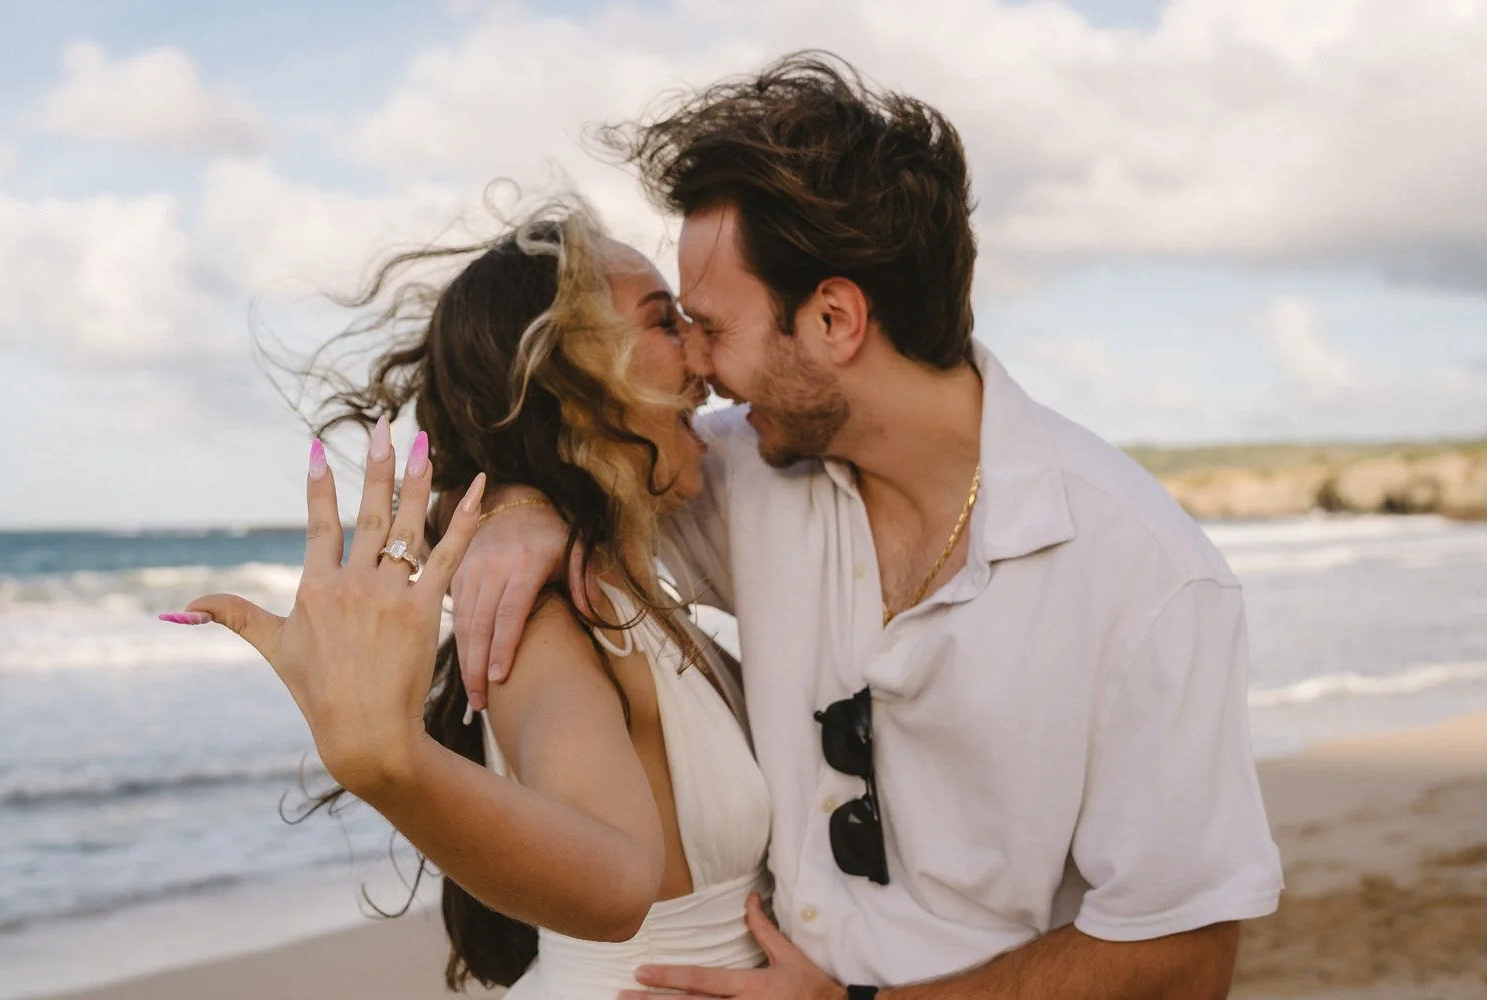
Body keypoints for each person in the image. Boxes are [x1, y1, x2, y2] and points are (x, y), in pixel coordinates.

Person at [452, 54, 1284, 999]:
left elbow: (1184, 954)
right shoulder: (744, 474)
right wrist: (516, 510)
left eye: (714, 328)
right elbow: (574, 443)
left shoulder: (1148, 577)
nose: (703, 369)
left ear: (835, 318)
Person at [160, 204, 776, 997]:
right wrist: (388, 765)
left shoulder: (624, 589)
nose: (701, 357)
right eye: (664, 324)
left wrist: (514, 505)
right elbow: (618, 880)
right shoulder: (542, 621)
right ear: (570, 381)